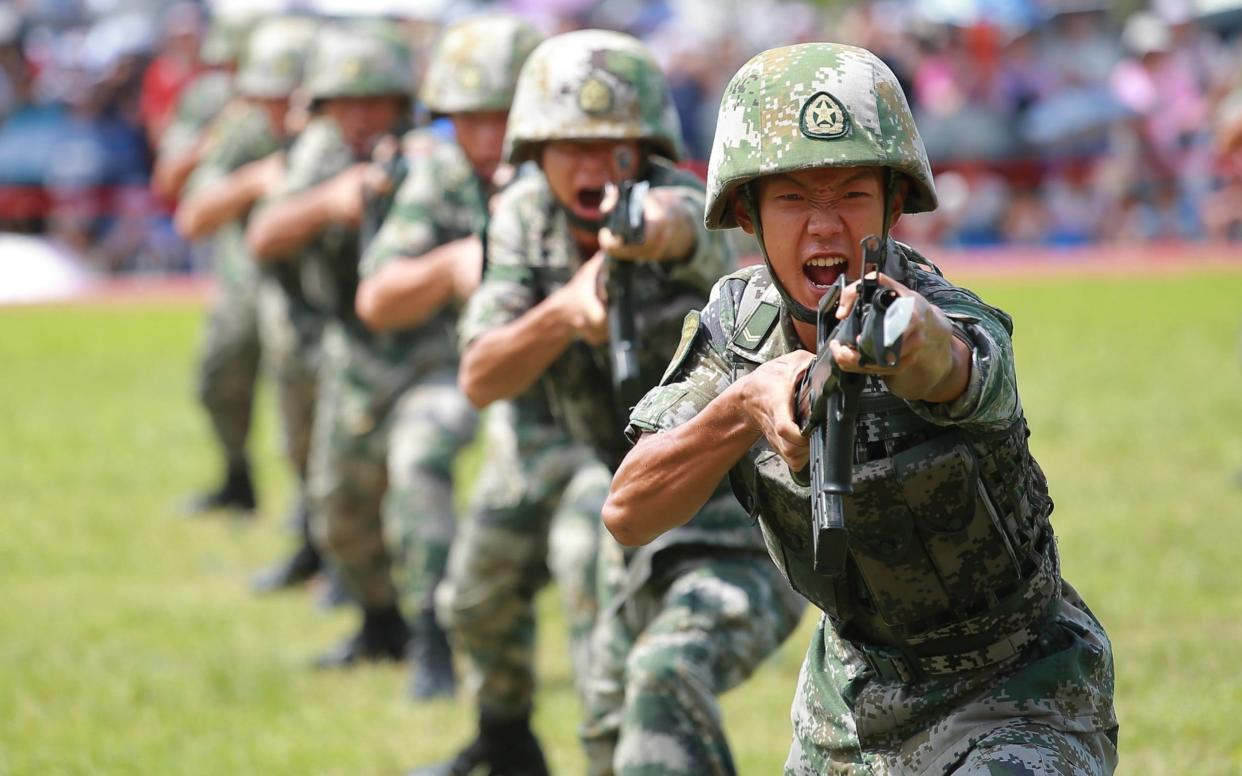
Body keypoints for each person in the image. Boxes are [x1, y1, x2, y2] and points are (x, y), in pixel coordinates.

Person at [603, 42, 1119, 774]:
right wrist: (739, 407)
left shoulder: (944, 315)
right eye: (792, 199)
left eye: (849, 195)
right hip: (850, 711)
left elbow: (952, 360)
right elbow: (629, 510)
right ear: (747, 214)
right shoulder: (737, 330)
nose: (822, 226)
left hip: (1021, 695)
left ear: (894, 203)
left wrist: (913, 346)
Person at [457, 29, 804, 776]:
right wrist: (563, 312)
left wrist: (645, 235)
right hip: (615, 487)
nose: (589, 167)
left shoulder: (682, 201)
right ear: (534, 155)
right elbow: (480, 376)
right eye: (567, 147)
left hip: (727, 511)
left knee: (660, 672)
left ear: (642, 149)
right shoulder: (522, 217)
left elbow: (686, 230)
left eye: (609, 148)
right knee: (602, 713)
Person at [365, 16, 606, 774]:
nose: (483, 134)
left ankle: (617, 747)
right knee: (473, 595)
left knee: (583, 565)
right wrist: (454, 265)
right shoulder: (436, 178)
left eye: (500, 115)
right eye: (466, 115)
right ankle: (504, 742)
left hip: (604, 426)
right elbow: (377, 297)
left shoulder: (576, 177)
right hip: (505, 406)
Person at [247, 22, 472, 679]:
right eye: (350, 103)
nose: (365, 118)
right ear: (325, 107)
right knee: (336, 506)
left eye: (379, 102)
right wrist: (329, 204)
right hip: (353, 354)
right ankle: (381, 623)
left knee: (417, 475)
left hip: (433, 350)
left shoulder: (435, 159)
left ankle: (436, 634)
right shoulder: (317, 158)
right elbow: (264, 235)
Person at [174, 16, 323, 582]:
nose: (282, 112)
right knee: (219, 376)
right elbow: (194, 214)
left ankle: (320, 537)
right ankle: (238, 476)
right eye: (271, 97)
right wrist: (257, 179)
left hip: (317, 297)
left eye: (293, 97)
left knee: (312, 420)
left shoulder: (336, 133)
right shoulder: (245, 129)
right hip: (251, 280)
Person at [158, 15, 254, 515]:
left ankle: (311, 518)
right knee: (218, 375)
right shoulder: (207, 100)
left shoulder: (307, 98)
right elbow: (170, 182)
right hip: (238, 261)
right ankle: (237, 478)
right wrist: (218, 137)